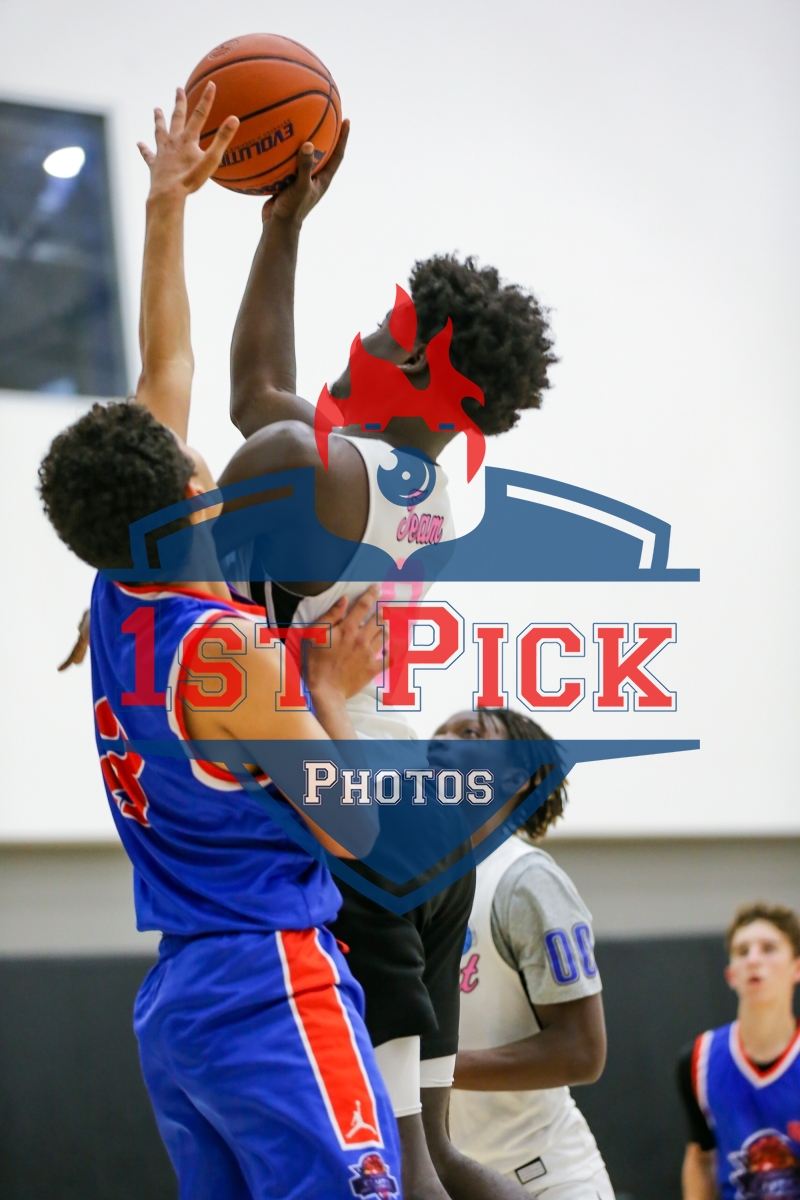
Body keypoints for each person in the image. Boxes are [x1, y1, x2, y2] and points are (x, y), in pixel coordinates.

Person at [39, 85, 403, 1200]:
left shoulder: (117, 595)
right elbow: (351, 829)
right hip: (271, 987)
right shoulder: (228, 655)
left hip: (184, 1007)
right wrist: (331, 687)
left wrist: (168, 201)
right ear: (197, 494)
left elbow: (169, 366)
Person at [216, 127, 557, 1200]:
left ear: (417, 365)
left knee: (401, 1171)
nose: (361, 338)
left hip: (352, 829)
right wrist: (281, 227)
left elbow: (254, 397)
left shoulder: (317, 469)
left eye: (386, 327)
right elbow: (271, 395)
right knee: (444, 1159)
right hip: (422, 834)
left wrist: (281, 232)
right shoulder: (428, 492)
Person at [438, 709, 613, 1199]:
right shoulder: (418, 884)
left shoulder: (526, 880)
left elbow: (582, 1052)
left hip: (545, 1179)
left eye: (469, 733)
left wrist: (431, 1067)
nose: (441, 742)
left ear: (515, 777)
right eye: (438, 733)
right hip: (455, 1181)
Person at [677, 902, 800, 1200]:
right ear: (731, 974)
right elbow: (701, 1157)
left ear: (797, 968)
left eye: (768, 948)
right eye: (743, 951)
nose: (754, 959)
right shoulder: (699, 1059)